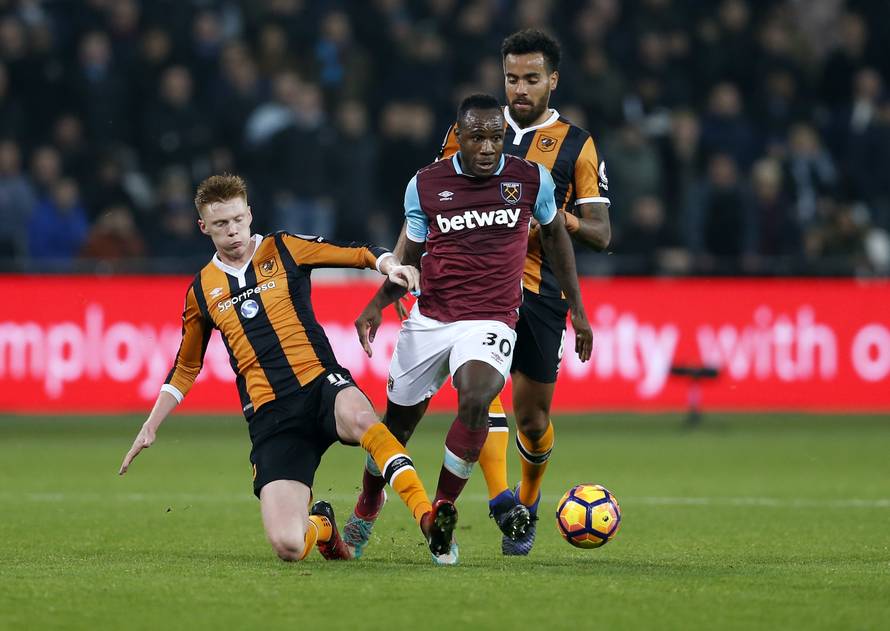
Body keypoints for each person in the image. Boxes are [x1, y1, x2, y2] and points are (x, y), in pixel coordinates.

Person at [345, 30, 611, 557]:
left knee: (532, 418)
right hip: (456, 296)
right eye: (512, 77)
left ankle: (525, 502)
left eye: (531, 79)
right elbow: (430, 206)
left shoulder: (574, 145)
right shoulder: (472, 129)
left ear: (551, 81)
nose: (520, 88)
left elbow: (600, 233)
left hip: (537, 291)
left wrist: (556, 220)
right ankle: (494, 499)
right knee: (474, 399)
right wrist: (398, 275)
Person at [118, 174, 456, 564]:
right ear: (203, 227)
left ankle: (428, 519)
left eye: (238, 220)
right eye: (221, 224)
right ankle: (324, 526)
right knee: (289, 546)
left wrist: (389, 264)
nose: (233, 232)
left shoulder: (283, 248)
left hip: (321, 386)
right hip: (272, 418)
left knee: (365, 421)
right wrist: (151, 424)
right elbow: (186, 366)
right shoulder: (201, 291)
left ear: (249, 214)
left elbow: (355, 251)